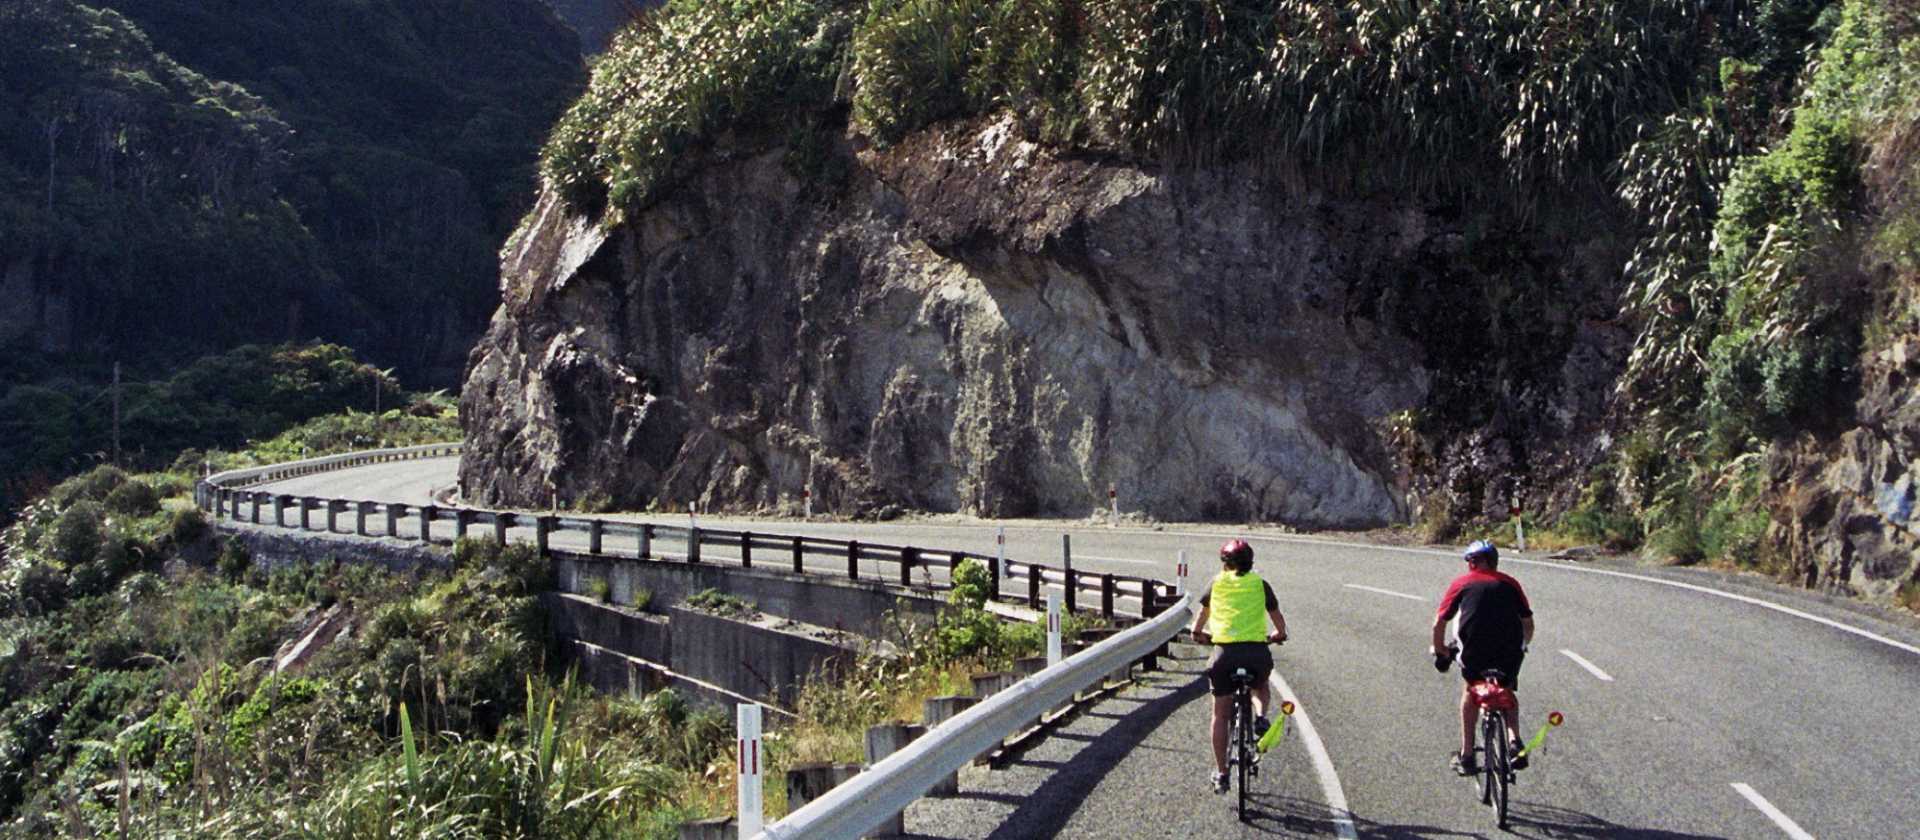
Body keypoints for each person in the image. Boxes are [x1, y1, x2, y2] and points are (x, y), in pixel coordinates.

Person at [1190, 538, 1288, 794]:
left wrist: (1198, 634)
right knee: (1260, 685)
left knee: (1220, 715)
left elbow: (1200, 620)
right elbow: (1278, 621)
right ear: (1250, 562)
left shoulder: (1216, 583)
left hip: (1225, 654)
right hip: (1256, 652)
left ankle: (1222, 773)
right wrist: (1279, 634)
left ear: (1225, 563)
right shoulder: (1260, 584)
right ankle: (1260, 717)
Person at [1430, 539, 1534, 775]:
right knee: (1506, 690)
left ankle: (1467, 756)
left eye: (1470, 561)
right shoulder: (1510, 583)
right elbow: (1528, 623)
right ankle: (1514, 741)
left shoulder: (1462, 584)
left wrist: (1440, 651)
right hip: (1508, 651)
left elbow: (1439, 623)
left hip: (1474, 650)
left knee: (1470, 690)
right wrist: (1522, 646)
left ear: (1474, 563)